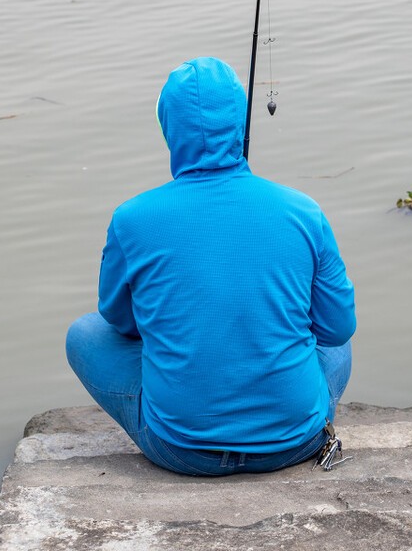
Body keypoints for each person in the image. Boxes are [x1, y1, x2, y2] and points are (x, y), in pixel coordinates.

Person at [65, 56, 356, 476]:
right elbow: (337, 330)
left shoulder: (131, 218)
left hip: (180, 451)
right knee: (331, 341)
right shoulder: (303, 210)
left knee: (85, 333)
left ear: (168, 129)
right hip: (295, 442)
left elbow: (119, 322)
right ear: (241, 126)